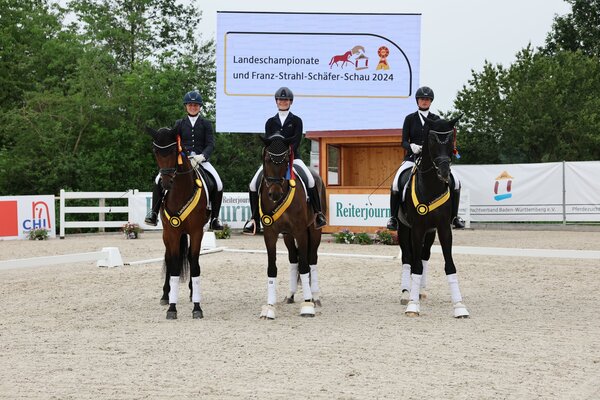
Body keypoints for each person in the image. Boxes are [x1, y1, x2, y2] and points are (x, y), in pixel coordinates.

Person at [243, 86, 327, 235]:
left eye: (286, 100)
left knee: (310, 180)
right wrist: (276, 155)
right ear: (276, 101)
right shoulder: (270, 122)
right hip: (273, 160)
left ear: (290, 102)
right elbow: (269, 142)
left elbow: (296, 140)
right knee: (253, 184)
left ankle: (318, 214)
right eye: (280, 100)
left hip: (293, 158)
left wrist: (287, 153)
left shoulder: (296, 120)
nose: (283, 102)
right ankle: (254, 219)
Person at [386, 86, 465, 230]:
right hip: (412, 159)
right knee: (396, 183)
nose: (424, 101)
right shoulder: (410, 119)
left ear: (431, 101)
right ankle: (393, 218)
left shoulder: (436, 119)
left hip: (433, 161)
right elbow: (403, 141)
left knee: (456, 182)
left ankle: (454, 217)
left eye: (427, 99)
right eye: (422, 99)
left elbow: (443, 140)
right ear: (417, 101)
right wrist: (412, 146)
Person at [145, 90, 224, 230]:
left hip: (201, 160)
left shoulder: (206, 123)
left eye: (196, 105)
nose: (193, 107)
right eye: (190, 105)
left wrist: (202, 156)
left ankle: (215, 218)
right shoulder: (179, 123)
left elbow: (210, 144)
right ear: (186, 106)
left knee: (218, 183)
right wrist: (183, 156)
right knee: (158, 180)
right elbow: (175, 143)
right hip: (183, 160)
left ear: (200, 107)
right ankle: (154, 213)